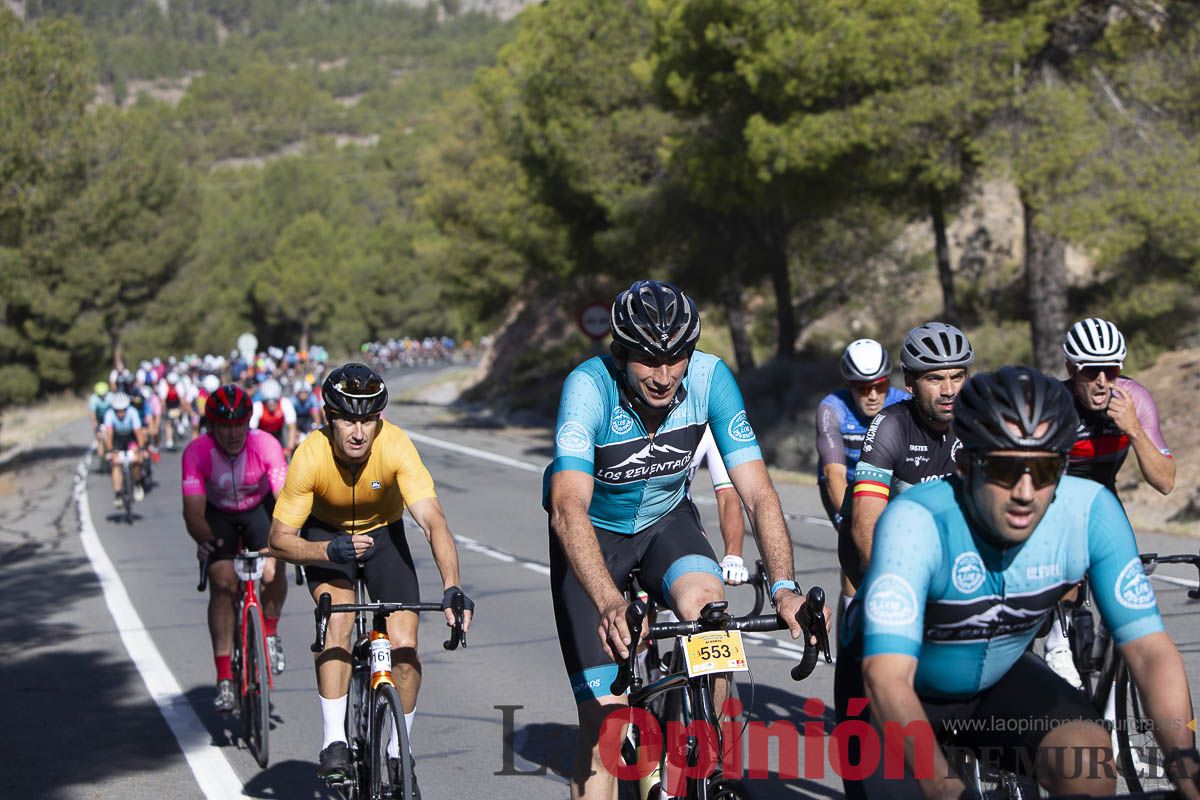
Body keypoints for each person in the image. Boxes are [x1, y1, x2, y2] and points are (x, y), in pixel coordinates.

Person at [836, 366, 1200, 800]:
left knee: (1089, 759)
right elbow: (886, 676)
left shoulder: (1090, 511)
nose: (1026, 492)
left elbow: (1149, 651)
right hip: (892, 686)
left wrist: (1185, 770)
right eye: (1006, 471)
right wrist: (942, 785)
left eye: (1046, 470)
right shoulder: (916, 519)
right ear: (965, 464)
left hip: (995, 679)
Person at [545, 279, 819, 800]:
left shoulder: (712, 378)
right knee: (605, 728)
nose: (665, 375)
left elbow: (759, 493)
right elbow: (567, 508)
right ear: (621, 353)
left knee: (711, 612)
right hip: (593, 538)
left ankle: (705, 764)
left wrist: (784, 586)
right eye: (649, 360)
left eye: (677, 358)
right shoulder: (588, 388)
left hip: (666, 524)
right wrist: (608, 602)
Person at [268, 363, 474, 787]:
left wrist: (452, 585)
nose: (358, 431)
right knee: (339, 619)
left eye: (367, 419)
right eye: (348, 419)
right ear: (330, 418)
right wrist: (327, 549)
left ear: (379, 419)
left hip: (383, 536)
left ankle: (400, 752)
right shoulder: (309, 455)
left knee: (405, 641)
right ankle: (334, 742)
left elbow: (434, 521)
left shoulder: (397, 446)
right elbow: (279, 540)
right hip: (326, 537)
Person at [1043, 317, 1176, 685]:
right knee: (1068, 563)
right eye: (1091, 371)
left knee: (1126, 592)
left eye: (1111, 369)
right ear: (1072, 369)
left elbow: (1164, 481)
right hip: (1056, 496)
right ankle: (1058, 640)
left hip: (1104, 496)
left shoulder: (1135, 399)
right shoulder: (1054, 403)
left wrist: (1133, 429)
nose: (1102, 380)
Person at [182, 385, 290, 711]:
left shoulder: (266, 445)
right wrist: (206, 540)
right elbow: (193, 512)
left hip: (258, 508)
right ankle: (225, 676)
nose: (233, 433)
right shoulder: (197, 452)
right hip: (218, 515)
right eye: (225, 426)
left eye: (240, 424)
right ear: (212, 427)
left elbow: (285, 500)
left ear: (249, 423)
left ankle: (269, 634)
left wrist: (284, 539)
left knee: (274, 565)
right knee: (223, 582)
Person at [843, 322, 973, 592]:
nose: (949, 390)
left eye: (957, 376)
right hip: (887, 545)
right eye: (935, 379)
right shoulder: (890, 427)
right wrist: (894, 587)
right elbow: (866, 522)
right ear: (910, 382)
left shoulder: (978, 423)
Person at [815, 339, 909, 601]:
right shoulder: (832, 409)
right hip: (846, 487)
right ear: (849, 386)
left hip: (888, 486)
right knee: (854, 552)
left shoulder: (904, 404)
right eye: (862, 387)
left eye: (880, 386)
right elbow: (835, 474)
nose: (872, 395)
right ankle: (852, 623)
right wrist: (853, 524)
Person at [686, 425, 749, 585]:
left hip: (677, 518)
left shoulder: (710, 423)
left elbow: (728, 495)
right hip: (619, 518)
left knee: (701, 586)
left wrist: (733, 557)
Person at [103, 392, 147, 506]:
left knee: (137, 459)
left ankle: (137, 483)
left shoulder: (133, 412)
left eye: (123, 410)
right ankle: (118, 495)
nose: (121, 413)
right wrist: (110, 450)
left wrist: (141, 448)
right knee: (116, 463)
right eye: (118, 410)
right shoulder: (109, 415)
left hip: (130, 438)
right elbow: (109, 435)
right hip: (117, 439)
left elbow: (138, 432)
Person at [251, 378, 298, 456]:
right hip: (262, 436)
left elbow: (292, 427)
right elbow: (251, 432)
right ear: (264, 400)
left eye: (274, 401)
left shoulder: (285, 403)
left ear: (278, 399)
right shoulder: (257, 407)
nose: (271, 404)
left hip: (279, 435)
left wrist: (289, 448)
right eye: (268, 401)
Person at [89, 381, 112, 464]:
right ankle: (101, 458)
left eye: (103, 394)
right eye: (100, 395)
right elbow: (92, 413)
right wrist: (94, 424)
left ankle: (111, 451)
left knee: (110, 435)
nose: (102, 396)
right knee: (99, 437)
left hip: (109, 419)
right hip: (99, 419)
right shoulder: (93, 399)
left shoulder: (110, 397)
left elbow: (114, 410)